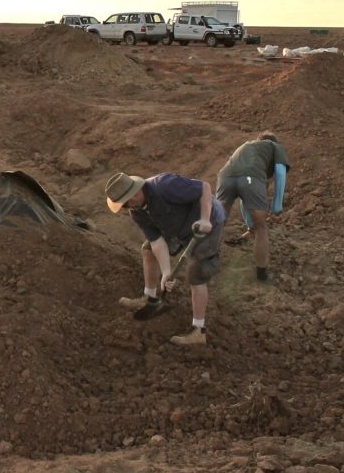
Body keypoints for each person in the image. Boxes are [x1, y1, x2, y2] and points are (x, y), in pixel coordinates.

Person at [106, 172, 226, 346]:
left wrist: (205, 219)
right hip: (176, 226)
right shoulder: (137, 212)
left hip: (208, 221)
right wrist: (166, 272)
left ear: (136, 192)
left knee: (195, 273)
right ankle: (150, 297)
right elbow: (156, 242)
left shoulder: (165, 186)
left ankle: (199, 331)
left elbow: (204, 188)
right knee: (148, 250)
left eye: (127, 202)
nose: (128, 207)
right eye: (123, 206)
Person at [215, 132, 291, 282]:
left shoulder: (246, 147)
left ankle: (207, 261)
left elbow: (245, 197)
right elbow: (281, 174)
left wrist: (250, 226)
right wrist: (276, 207)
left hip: (225, 177)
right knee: (262, 228)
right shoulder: (274, 146)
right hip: (251, 179)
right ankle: (261, 275)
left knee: (217, 223)